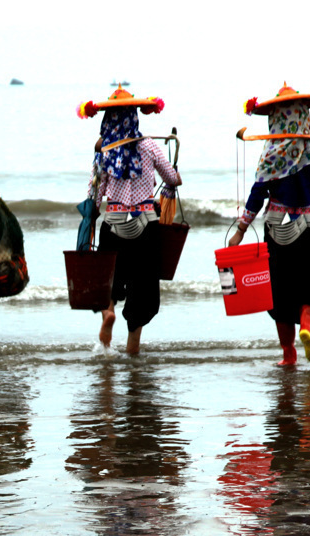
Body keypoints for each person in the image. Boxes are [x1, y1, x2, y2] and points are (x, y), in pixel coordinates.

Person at [228, 84, 310, 369]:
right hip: (308, 226)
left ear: (274, 120)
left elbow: (257, 194)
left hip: (275, 230)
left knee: (279, 293)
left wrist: (240, 230)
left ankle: (288, 355)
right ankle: (308, 329)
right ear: (302, 116)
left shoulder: (271, 154)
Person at [78, 86, 182, 355]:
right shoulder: (149, 146)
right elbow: (172, 179)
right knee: (142, 288)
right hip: (146, 225)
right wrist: (173, 175)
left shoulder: (105, 149)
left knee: (108, 281)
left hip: (113, 224)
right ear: (134, 116)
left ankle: (109, 313)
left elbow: (95, 193)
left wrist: (91, 219)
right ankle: (132, 348)